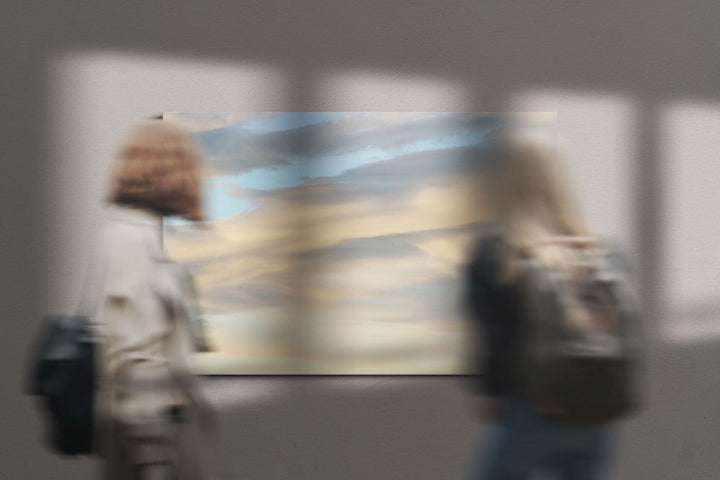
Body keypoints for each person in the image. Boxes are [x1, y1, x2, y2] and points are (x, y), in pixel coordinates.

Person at [463, 127, 621, 480]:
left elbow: (496, 340)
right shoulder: (603, 253)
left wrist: (489, 393)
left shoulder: (496, 256)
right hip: (597, 412)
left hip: (532, 408)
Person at [91, 120, 215, 480]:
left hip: (151, 437)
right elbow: (136, 356)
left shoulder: (133, 236)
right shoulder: (133, 241)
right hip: (155, 441)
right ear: (172, 171)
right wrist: (155, 463)